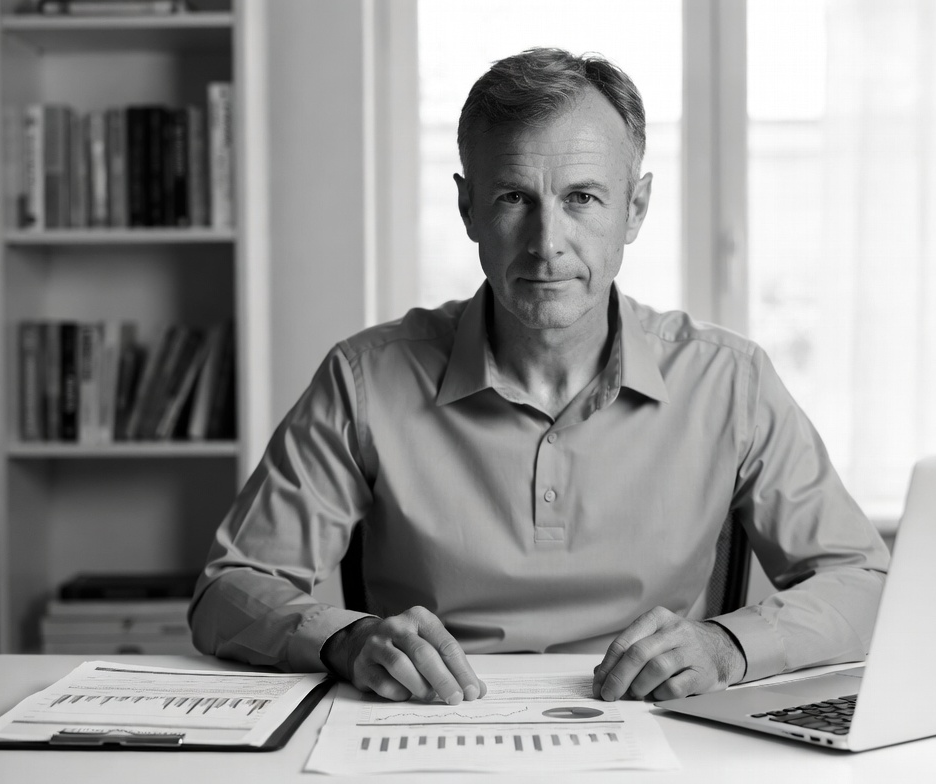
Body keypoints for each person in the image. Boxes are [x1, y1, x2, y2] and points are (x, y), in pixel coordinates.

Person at [190, 47, 890, 707]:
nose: (547, 243)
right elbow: (230, 590)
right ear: (468, 209)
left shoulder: (729, 381)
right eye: (514, 198)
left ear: (634, 210)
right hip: (425, 725)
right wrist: (346, 639)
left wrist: (727, 645)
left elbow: (863, 582)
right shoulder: (364, 378)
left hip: (660, 732)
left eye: (582, 198)